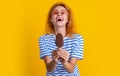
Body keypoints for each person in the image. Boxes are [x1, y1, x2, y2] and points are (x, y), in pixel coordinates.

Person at [38, 2, 84, 76]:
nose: (59, 14)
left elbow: (71, 69)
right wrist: (55, 60)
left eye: (63, 13)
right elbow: (49, 68)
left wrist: (64, 61)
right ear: (51, 19)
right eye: (55, 13)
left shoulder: (77, 38)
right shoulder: (43, 39)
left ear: (68, 19)